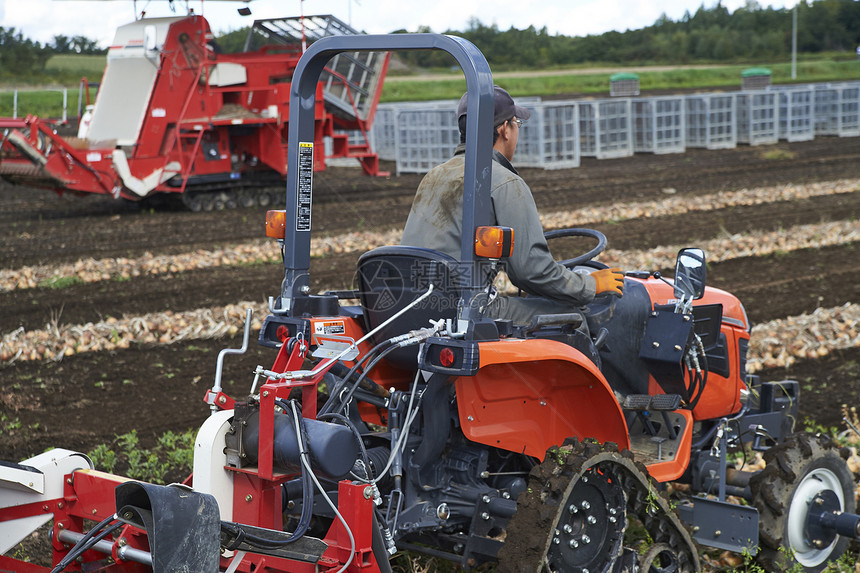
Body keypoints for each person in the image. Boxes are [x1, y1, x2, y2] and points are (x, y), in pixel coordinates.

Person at [400, 85, 624, 325]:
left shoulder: (434, 176)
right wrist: (591, 284)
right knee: (571, 320)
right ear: (505, 129)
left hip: (414, 307)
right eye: (517, 123)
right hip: (463, 313)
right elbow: (530, 271)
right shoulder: (503, 181)